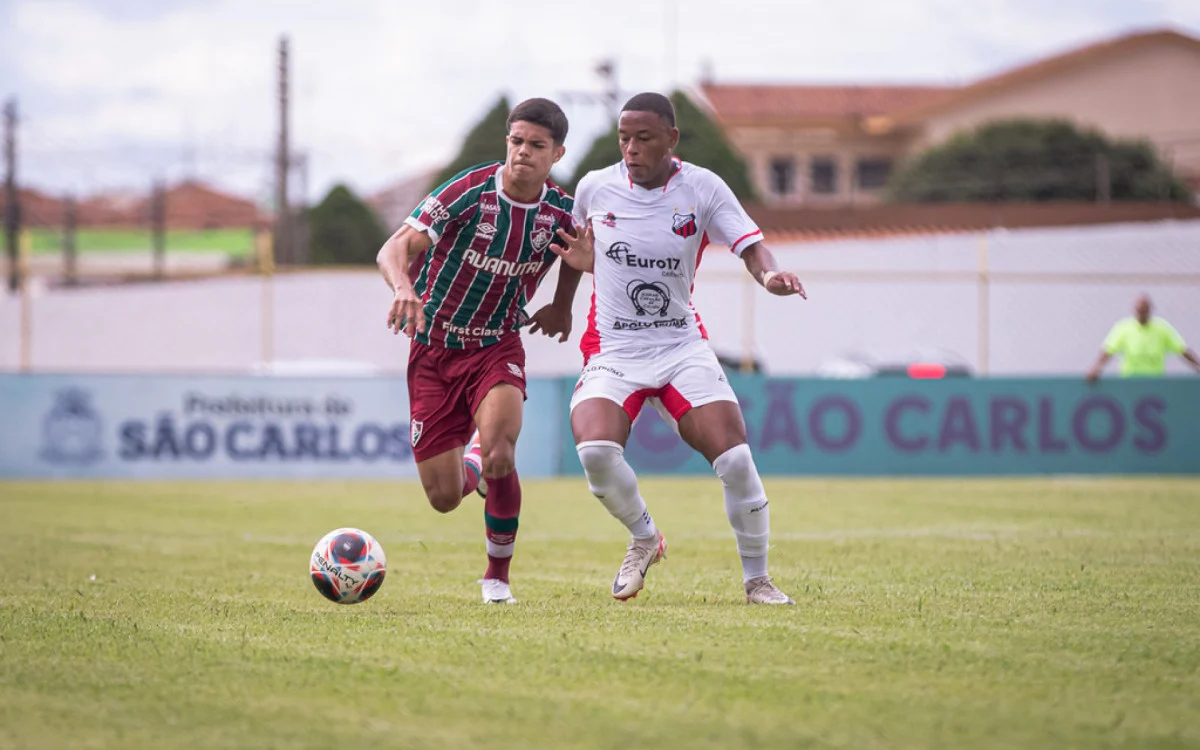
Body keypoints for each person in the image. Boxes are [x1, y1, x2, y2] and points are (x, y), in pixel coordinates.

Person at [545, 92, 806, 605]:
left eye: (643, 138)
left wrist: (770, 275)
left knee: (734, 459)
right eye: (624, 138)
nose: (631, 148)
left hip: (680, 347)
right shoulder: (595, 187)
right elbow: (577, 252)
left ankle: (758, 580)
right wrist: (561, 306)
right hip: (615, 349)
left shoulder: (702, 186)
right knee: (596, 451)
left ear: (671, 139)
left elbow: (750, 245)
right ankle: (645, 538)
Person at [376, 97, 582, 604]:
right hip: (433, 349)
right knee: (444, 498)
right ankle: (474, 465)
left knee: (502, 454)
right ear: (506, 142)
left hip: (496, 346)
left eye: (537, 145)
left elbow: (576, 250)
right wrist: (404, 288)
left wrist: (561, 304)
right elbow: (393, 247)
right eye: (516, 142)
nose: (523, 153)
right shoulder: (469, 192)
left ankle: (496, 578)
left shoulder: (560, 209)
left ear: (556, 153)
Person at [1087, 294, 1200, 381]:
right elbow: (1108, 350)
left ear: (1150, 310)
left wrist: (1197, 364)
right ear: (1134, 311)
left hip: (1155, 382)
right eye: (1139, 310)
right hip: (1129, 382)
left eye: (1144, 310)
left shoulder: (1162, 329)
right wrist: (1096, 368)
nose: (1141, 314)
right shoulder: (1123, 328)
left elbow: (1182, 349)